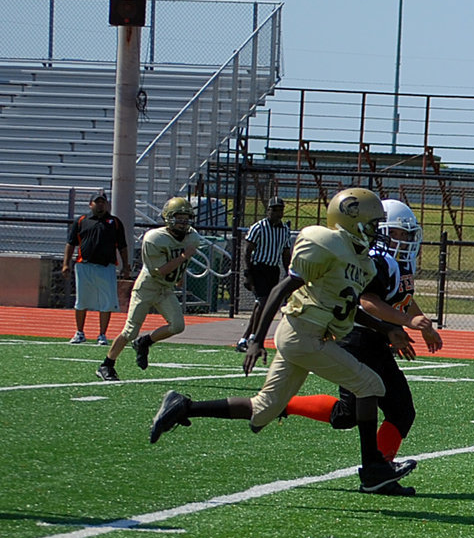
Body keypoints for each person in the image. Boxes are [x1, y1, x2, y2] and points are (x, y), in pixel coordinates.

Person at [146, 188, 419, 495]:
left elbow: (347, 304)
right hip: (303, 335)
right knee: (370, 385)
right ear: (350, 221)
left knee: (263, 409)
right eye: (371, 225)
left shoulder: (361, 262)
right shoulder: (326, 243)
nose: (375, 233)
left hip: (307, 335)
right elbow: (281, 289)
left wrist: (386, 330)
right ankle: (373, 469)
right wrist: (255, 340)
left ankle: (183, 406)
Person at [281, 199, 437, 495]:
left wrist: (418, 321)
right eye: (399, 233)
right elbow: (368, 302)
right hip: (357, 338)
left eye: (408, 234)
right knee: (366, 412)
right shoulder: (375, 260)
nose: (405, 240)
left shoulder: (394, 261)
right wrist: (402, 323)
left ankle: (378, 469)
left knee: (378, 412)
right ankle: (377, 470)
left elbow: (401, 296)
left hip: (373, 339)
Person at [96, 197, 201, 382]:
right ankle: (107, 364)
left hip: (165, 289)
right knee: (130, 331)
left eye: (187, 218)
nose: (184, 222)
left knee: (178, 326)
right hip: (148, 286)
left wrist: (180, 276)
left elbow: (181, 264)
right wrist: (184, 256)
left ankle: (145, 342)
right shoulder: (155, 238)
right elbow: (160, 271)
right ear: (169, 218)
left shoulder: (192, 237)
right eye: (179, 217)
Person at [63, 189, 131, 345]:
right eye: (97, 202)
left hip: (106, 266)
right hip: (84, 265)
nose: (100, 205)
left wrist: (125, 265)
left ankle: (102, 334)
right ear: (90, 204)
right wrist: (66, 263)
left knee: (106, 301)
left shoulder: (114, 222)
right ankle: (80, 332)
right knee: (82, 300)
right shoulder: (81, 221)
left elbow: (122, 246)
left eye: (103, 202)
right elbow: (71, 243)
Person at [236, 196, 294, 353]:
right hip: (258, 268)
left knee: (263, 305)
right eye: (274, 209)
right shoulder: (258, 227)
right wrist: (247, 273)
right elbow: (247, 250)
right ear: (268, 210)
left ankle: (246, 338)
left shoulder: (284, 230)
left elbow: (286, 253)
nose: (277, 213)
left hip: (273, 270)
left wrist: (289, 272)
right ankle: (252, 337)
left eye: (280, 209)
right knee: (262, 303)